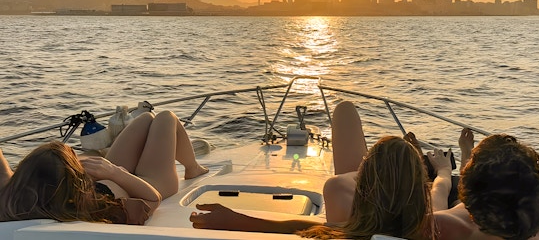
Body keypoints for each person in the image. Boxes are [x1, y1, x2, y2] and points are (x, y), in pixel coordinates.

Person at [190, 101, 453, 239]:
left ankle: (392, 166)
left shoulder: (350, 227)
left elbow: (299, 225)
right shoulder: (432, 222)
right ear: (419, 187)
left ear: (366, 180)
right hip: (389, 198)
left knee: (344, 111)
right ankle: (396, 167)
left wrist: (236, 220)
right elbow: (442, 187)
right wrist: (442, 170)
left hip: (359, 199)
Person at [0, 110, 209, 225]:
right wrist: (114, 172)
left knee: (145, 119)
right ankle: (193, 168)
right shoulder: (99, 206)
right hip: (147, 182)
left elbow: (4, 174)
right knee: (165, 118)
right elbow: (153, 198)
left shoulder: (12, 196)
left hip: (105, 175)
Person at [434, 130, 539, 240]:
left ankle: (466, 162)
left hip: (469, 213)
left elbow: (436, 198)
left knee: (457, 200)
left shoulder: (445, 224)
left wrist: (443, 171)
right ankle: (467, 160)